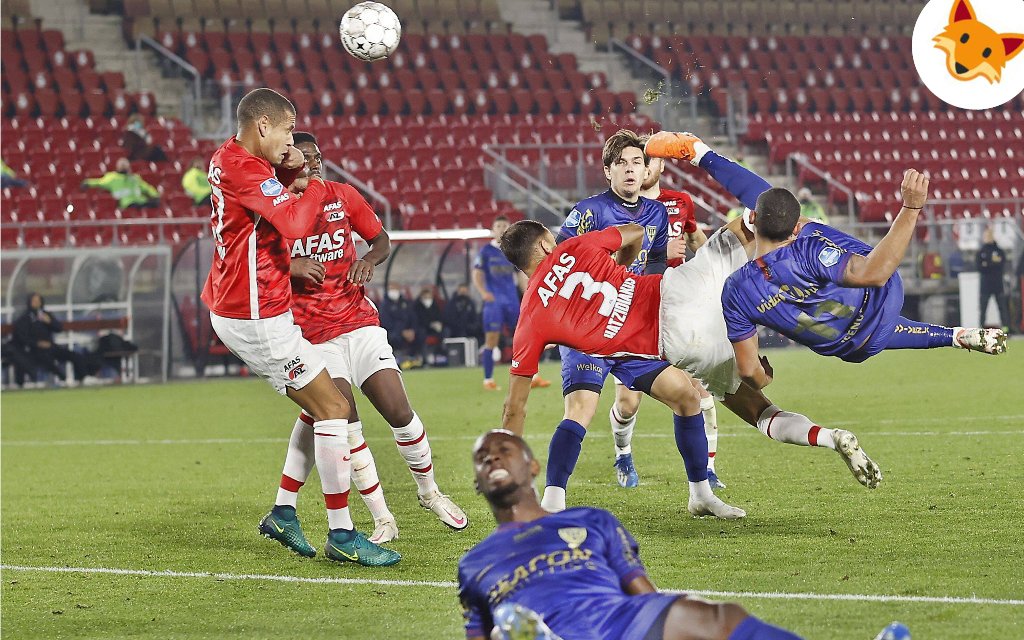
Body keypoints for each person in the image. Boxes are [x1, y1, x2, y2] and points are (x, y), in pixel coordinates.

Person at [497, 180, 883, 515]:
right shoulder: (576, 247)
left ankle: (827, 435)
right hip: (679, 285)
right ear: (549, 241)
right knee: (739, 234)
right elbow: (632, 232)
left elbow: (516, 407)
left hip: (673, 336)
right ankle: (791, 234)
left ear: (521, 266)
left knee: (755, 404)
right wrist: (624, 272)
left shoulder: (530, 317)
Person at [202, 88, 398, 567]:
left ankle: (284, 511)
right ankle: (343, 534)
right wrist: (307, 178)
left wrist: (288, 170)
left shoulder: (232, 156)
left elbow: (272, 198)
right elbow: (292, 223)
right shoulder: (244, 168)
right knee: (333, 406)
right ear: (264, 125)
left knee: (317, 409)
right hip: (255, 317)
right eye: (289, 129)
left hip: (259, 306)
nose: (294, 139)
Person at [260, 131, 467, 552]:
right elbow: (259, 268)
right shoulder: (275, 212)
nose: (313, 165)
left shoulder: (343, 196)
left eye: (317, 158)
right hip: (314, 338)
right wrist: (290, 267)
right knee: (345, 425)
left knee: (401, 413)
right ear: (286, 168)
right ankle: (381, 519)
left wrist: (369, 260)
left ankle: (430, 493)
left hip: (359, 323)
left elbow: (381, 240)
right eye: (303, 160)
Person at [458, 429, 804, 640]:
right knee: (506, 624)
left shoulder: (592, 520)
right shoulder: (475, 564)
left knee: (719, 617)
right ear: (476, 482)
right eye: (483, 458)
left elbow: (644, 594)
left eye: (504, 450)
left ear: (533, 466)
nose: (492, 458)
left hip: (622, 623)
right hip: (553, 627)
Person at [721, 176, 1007, 392]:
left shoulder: (735, 289)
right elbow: (874, 273)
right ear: (795, 226)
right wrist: (911, 207)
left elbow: (749, 372)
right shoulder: (806, 247)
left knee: (851, 320)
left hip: (847, 346)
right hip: (877, 303)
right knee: (853, 272)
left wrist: (763, 377)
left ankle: (954, 336)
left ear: (753, 219)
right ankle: (954, 336)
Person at [473, 216, 551, 391]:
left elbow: (520, 275)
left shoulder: (512, 250)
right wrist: (484, 293)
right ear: (493, 230)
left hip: (512, 300)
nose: (501, 229)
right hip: (494, 302)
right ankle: (488, 380)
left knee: (525, 337)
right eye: (498, 226)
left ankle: (534, 377)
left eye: (504, 226)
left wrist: (528, 294)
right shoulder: (485, 251)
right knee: (492, 339)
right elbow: (477, 274)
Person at [8, 293, 93, 386]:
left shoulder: (46, 315)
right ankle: (64, 379)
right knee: (46, 360)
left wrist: (50, 322)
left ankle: (85, 377)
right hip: (34, 350)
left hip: (50, 346)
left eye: (38, 301)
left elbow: (59, 328)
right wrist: (37, 343)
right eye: (34, 301)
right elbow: (22, 338)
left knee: (75, 355)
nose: (36, 303)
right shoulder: (24, 319)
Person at [82, 158, 160, 209]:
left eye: (125, 165)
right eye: (122, 165)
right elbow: (99, 182)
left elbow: (147, 187)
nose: (123, 166)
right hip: (127, 204)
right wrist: (87, 183)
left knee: (154, 204)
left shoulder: (134, 178)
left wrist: (155, 195)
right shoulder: (112, 178)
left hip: (141, 202)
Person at [379, 282, 422, 365]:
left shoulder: (406, 303)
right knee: (394, 337)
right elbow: (386, 322)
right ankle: (399, 359)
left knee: (421, 334)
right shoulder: (384, 305)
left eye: (395, 289)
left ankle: (417, 358)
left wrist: (412, 330)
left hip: (408, 330)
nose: (393, 291)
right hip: (393, 331)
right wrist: (402, 332)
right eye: (391, 289)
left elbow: (413, 318)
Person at [976, 226, 1010, 330]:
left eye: (989, 235)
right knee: (983, 310)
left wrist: (988, 264)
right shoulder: (981, 251)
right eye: (986, 235)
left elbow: (1001, 265)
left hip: (998, 285)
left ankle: (1005, 330)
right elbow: (979, 267)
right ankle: (981, 330)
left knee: (1002, 309)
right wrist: (992, 264)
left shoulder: (999, 251)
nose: (988, 237)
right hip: (985, 285)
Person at [415, 286, 445, 363]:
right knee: (421, 334)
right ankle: (425, 358)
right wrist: (430, 325)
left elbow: (440, 317)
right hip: (422, 328)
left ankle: (442, 352)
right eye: (426, 297)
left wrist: (439, 324)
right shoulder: (416, 306)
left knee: (445, 332)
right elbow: (418, 320)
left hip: (434, 329)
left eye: (429, 297)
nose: (428, 299)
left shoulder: (435, 306)